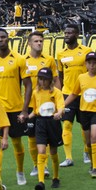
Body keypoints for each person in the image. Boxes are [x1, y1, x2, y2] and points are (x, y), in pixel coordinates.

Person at [0, 28, 31, 186]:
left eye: (3, 37)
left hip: (16, 109)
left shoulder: (19, 59)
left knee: (16, 142)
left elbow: (28, 85)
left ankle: (20, 171)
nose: (1, 40)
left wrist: (24, 109)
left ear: (8, 39)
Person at [64, 52, 96, 178]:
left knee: (95, 137)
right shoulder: (81, 78)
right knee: (88, 142)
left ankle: (95, 168)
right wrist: (62, 105)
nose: (92, 65)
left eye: (94, 63)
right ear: (86, 64)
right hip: (84, 112)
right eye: (89, 63)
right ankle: (92, 162)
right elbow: (74, 94)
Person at [24, 31, 60, 178]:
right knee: (32, 137)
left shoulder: (49, 59)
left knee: (49, 138)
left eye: (41, 41)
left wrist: (56, 100)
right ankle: (37, 164)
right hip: (30, 104)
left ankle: (45, 166)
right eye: (36, 41)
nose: (39, 43)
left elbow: (56, 80)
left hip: (47, 106)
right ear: (29, 43)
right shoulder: (23, 60)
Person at [56, 24, 92, 167]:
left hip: (84, 94)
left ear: (77, 35)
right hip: (67, 93)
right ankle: (68, 157)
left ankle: (86, 151)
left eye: (70, 33)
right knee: (67, 124)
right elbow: (60, 74)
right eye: (65, 33)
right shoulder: (61, 54)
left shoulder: (86, 51)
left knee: (85, 126)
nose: (66, 35)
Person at [23, 68, 64, 190]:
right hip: (40, 123)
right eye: (40, 79)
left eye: (45, 79)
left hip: (53, 123)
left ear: (50, 80)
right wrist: (25, 117)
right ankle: (40, 181)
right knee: (41, 151)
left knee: (53, 152)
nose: (42, 81)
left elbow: (61, 105)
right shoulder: (36, 93)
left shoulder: (56, 92)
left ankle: (56, 177)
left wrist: (59, 113)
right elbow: (36, 111)